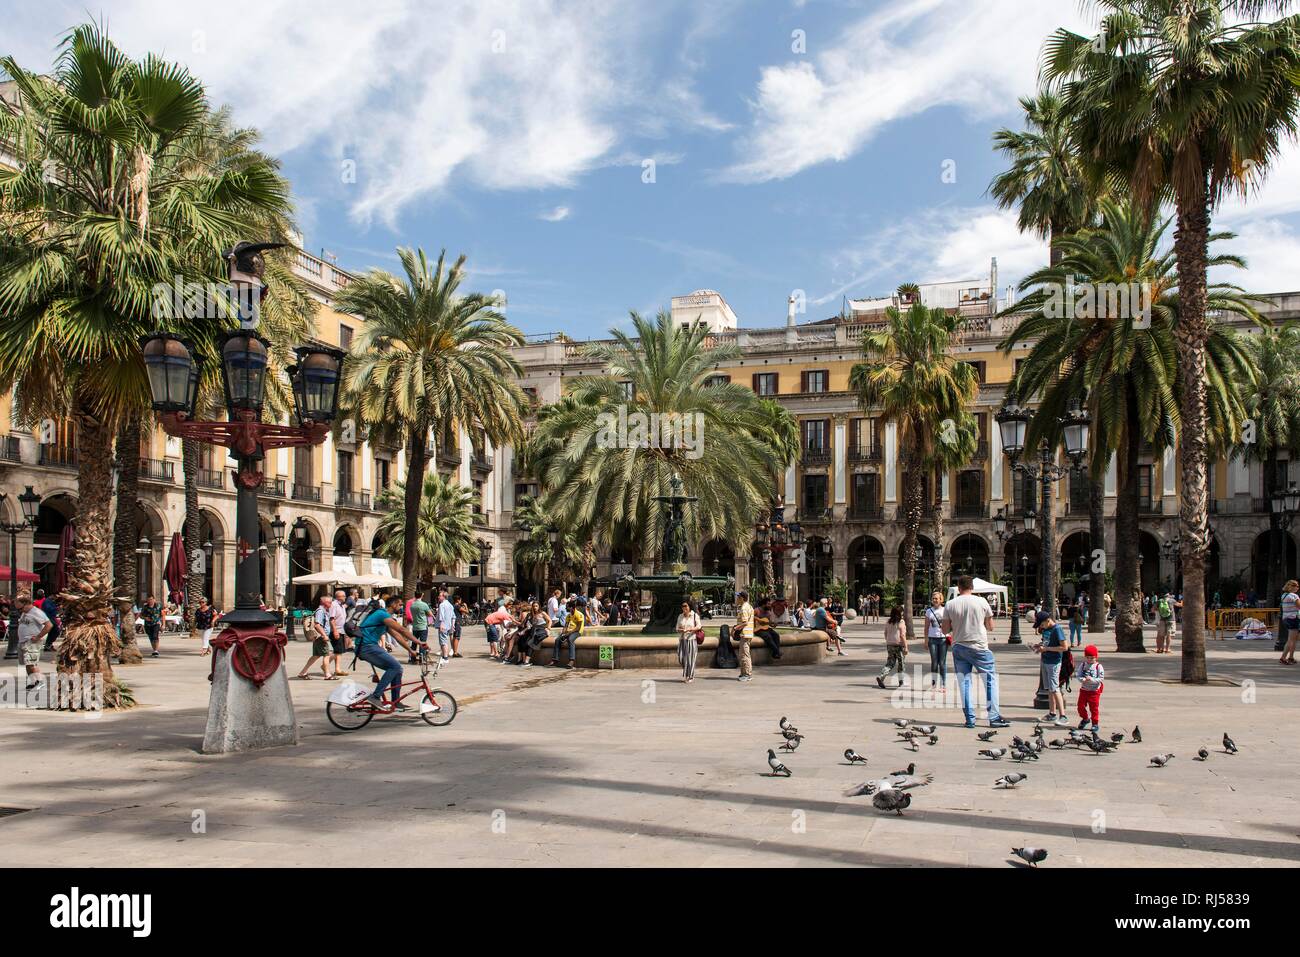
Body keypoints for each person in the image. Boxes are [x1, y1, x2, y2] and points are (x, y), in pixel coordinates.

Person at [942, 575, 1010, 729]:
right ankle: (993, 717)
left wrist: (957, 625)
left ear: (958, 588)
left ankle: (970, 719)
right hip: (979, 646)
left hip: (959, 646)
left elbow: (945, 629)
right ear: (972, 587)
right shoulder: (982, 601)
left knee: (965, 683)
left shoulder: (950, 604)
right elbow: (991, 626)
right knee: (990, 681)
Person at [355, 594, 421, 711]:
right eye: (400, 604)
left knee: (398, 669)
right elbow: (401, 630)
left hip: (370, 646)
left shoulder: (386, 618)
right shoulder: (382, 614)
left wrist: (411, 650)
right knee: (394, 667)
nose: (401, 607)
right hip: (366, 647)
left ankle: (395, 701)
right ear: (393, 604)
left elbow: (397, 636)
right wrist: (419, 643)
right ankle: (375, 696)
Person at [1031, 610, 1069, 726]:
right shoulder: (1047, 630)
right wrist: (1039, 646)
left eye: (1042, 624)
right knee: (1050, 689)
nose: (1041, 627)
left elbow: (1064, 647)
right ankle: (1052, 713)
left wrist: (1046, 649)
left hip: (1054, 662)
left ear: (1047, 621)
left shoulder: (1057, 629)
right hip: (1046, 660)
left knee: (1054, 688)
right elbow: (1047, 643)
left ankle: (1063, 715)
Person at [295, 595, 337, 679]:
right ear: (324, 603)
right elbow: (317, 625)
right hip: (321, 637)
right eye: (330, 602)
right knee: (326, 655)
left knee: (316, 656)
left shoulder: (324, 611)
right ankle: (328, 675)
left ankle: (303, 672)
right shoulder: (321, 611)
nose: (331, 604)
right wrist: (324, 635)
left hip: (318, 637)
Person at [14, 593, 50, 690]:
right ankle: (33, 682)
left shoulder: (37, 612)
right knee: (27, 663)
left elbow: (49, 625)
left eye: (20, 608)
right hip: (23, 642)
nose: (19, 611)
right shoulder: (25, 613)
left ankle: (41, 681)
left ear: (26, 603)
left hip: (32, 643)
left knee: (31, 663)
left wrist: (38, 637)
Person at [875, 605, 908, 688]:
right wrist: (906, 646)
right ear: (900, 613)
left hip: (889, 645)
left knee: (890, 663)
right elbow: (903, 635)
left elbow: (885, 633)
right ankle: (901, 682)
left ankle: (881, 676)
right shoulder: (901, 622)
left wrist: (888, 640)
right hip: (899, 645)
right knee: (901, 664)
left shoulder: (888, 621)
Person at [1075, 644, 1105, 732]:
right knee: (1080, 706)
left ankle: (1095, 723)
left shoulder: (1098, 666)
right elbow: (1078, 675)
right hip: (1084, 690)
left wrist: (1091, 679)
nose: (1090, 660)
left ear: (1096, 657)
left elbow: (1101, 678)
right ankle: (1085, 718)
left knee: (1094, 708)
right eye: (1088, 658)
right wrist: (1082, 679)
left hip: (1094, 691)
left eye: (1092, 658)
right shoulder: (1083, 665)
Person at [924, 591, 949, 691]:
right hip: (932, 639)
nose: (935, 600)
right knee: (934, 662)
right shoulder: (929, 611)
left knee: (942, 663)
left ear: (941, 600)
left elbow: (951, 625)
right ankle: (934, 684)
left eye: (937, 598)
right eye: (933, 598)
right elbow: (926, 627)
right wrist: (926, 640)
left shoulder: (945, 610)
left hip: (943, 639)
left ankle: (943, 684)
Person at [552, 598, 586, 669]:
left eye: (567, 607)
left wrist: (568, 634)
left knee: (570, 639)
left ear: (571, 607)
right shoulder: (568, 615)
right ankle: (555, 660)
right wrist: (563, 633)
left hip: (577, 632)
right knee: (557, 640)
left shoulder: (579, 615)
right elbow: (565, 626)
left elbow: (578, 628)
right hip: (569, 631)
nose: (565, 608)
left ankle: (571, 661)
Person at [676, 599, 702, 683]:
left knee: (691, 659)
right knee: (681, 658)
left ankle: (690, 676)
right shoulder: (680, 616)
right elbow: (677, 627)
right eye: (683, 606)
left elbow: (699, 626)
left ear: (689, 606)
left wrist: (690, 629)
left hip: (691, 639)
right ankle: (687, 672)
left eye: (685, 606)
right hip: (682, 639)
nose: (684, 608)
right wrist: (681, 630)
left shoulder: (694, 615)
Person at [328, 589, 350, 674]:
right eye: (343, 595)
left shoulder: (341, 605)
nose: (345, 597)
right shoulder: (334, 605)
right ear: (338, 597)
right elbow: (331, 619)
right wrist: (335, 631)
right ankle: (327, 664)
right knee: (338, 651)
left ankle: (337, 669)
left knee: (339, 651)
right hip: (336, 630)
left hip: (342, 630)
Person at [735, 590, 754, 682]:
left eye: (738, 597)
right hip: (748, 633)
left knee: (744, 655)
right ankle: (744, 673)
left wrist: (735, 628)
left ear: (742, 598)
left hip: (745, 634)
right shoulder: (749, 606)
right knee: (745, 654)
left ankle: (747, 674)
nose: (737, 599)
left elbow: (745, 622)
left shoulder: (744, 608)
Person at [1279, 579, 1299, 665]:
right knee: (1291, 640)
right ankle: (1285, 657)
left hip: (1286, 619)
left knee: (1293, 639)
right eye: (1296, 586)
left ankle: (1290, 657)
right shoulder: (1294, 596)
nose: (1298, 588)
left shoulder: (1284, 595)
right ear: (1291, 587)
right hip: (1293, 619)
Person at [408, 590, 431, 664]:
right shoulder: (424, 604)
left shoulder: (412, 605)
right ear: (421, 595)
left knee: (414, 643)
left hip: (415, 626)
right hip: (423, 626)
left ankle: (413, 658)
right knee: (423, 642)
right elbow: (429, 614)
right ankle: (421, 658)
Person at [434, 589, 455, 664]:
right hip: (448, 625)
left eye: (440, 596)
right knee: (444, 641)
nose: (438, 597)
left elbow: (441, 616)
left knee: (443, 642)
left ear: (444, 597)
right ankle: (444, 656)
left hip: (443, 626)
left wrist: (441, 625)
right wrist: (452, 625)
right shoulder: (450, 605)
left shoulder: (442, 605)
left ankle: (445, 658)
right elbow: (453, 616)